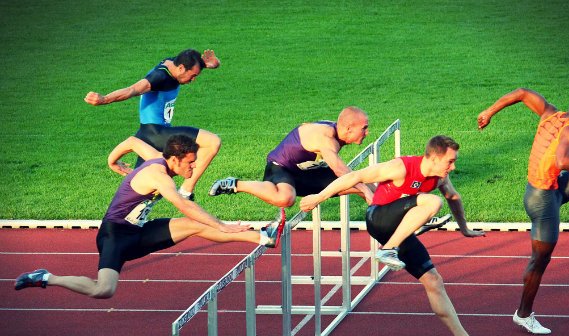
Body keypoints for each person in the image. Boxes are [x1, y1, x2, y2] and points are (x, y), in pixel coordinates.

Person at [300, 135, 499, 336]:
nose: (453, 167)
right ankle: (389, 249)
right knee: (433, 202)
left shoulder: (439, 178)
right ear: (434, 158)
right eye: (450, 161)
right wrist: (318, 197)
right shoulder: (401, 167)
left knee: (433, 280)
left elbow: (453, 197)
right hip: (378, 218)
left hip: (397, 232)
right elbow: (355, 176)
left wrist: (464, 229)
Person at [15, 135, 285, 299]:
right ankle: (46, 277)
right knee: (103, 290)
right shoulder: (158, 175)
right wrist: (223, 226)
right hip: (115, 236)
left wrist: (112, 161)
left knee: (194, 226)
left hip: (140, 232)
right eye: (190, 162)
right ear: (175, 160)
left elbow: (132, 142)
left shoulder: (158, 157)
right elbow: (183, 204)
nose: (194, 167)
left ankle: (264, 237)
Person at [477, 88, 569, 334]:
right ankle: (523, 315)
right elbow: (563, 162)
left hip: (550, 189)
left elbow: (522, 93)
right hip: (542, 202)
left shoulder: (550, 114)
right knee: (539, 261)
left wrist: (489, 112)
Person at [84, 48, 223, 200]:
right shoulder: (159, 77)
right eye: (193, 75)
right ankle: (185, 192)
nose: (193, 79)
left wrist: (212, 64)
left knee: (143, 193)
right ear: (181, 68)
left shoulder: (176, 64)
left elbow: (197, 64)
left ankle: (129, 212)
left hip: (150, 134)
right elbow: (132, 90)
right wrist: (104, 99)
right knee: (212, 142)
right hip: (155, 134)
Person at [208, 107, 376, 207]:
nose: (367, 132)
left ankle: (384, 225)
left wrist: (367, 191)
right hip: (281, 168)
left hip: (306, 173)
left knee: (369, 185)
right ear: (348, 128)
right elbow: (340, 170)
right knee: (286, 198)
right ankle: (234, 184)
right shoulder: (326, 138)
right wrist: (365, 191)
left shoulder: (338, 131)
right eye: (364, 128)